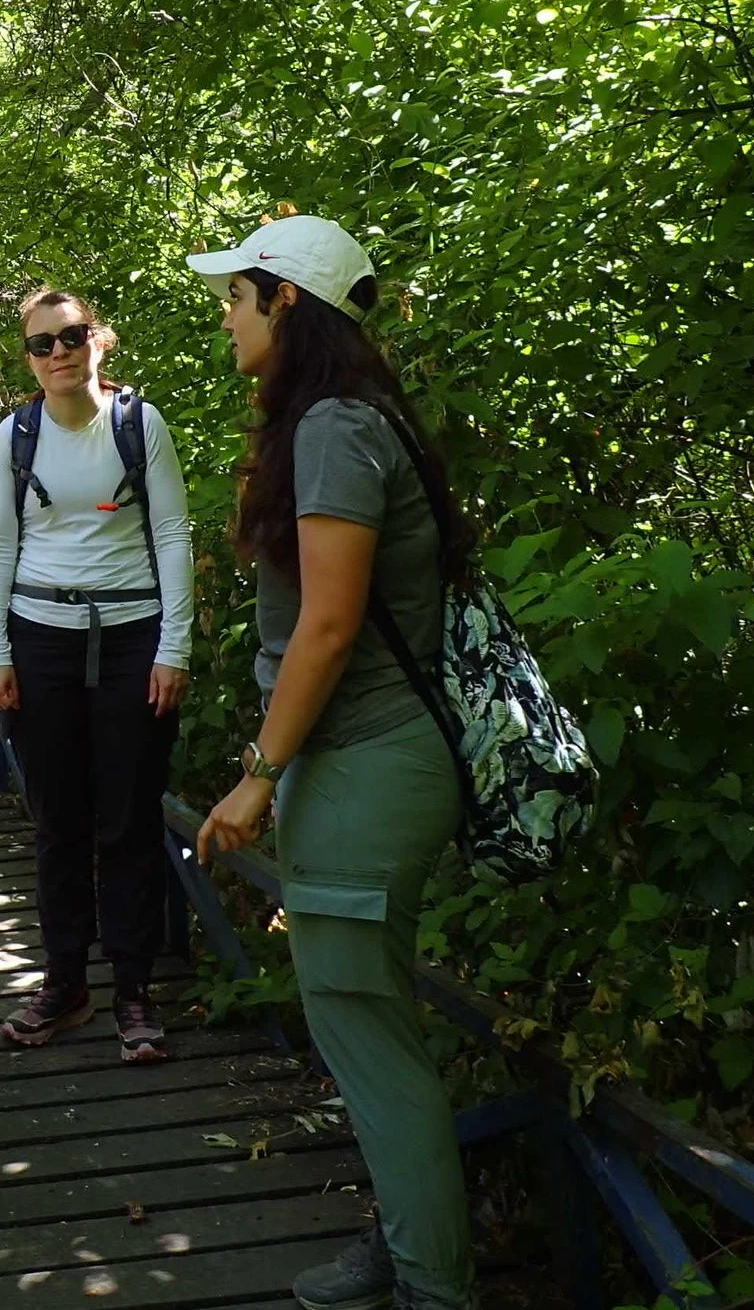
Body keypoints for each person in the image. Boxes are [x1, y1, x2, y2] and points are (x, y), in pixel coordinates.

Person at [188, 215, 475, 1310]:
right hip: (362, 761)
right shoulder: (345, 420)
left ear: (287, 303)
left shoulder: (333, 432)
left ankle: (432, 1289)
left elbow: (327, 625)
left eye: (237, 296)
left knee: (366, 1038)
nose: (226, 316)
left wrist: (259, 772)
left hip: (365, 766)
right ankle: (404, 1246)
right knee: (369, 1027)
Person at [0, 290, 193, 1064]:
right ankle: (65, 981)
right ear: (28, 358)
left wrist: (176, 647)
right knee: (58, 820)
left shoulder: (140, 425)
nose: (59, 352)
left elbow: (170, 532)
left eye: (71, 336)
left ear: (98, 340)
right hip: (42, 641)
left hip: (133, 638)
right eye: (42, 344)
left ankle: (134, 993)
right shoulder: (17, 435)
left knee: (129, 819)